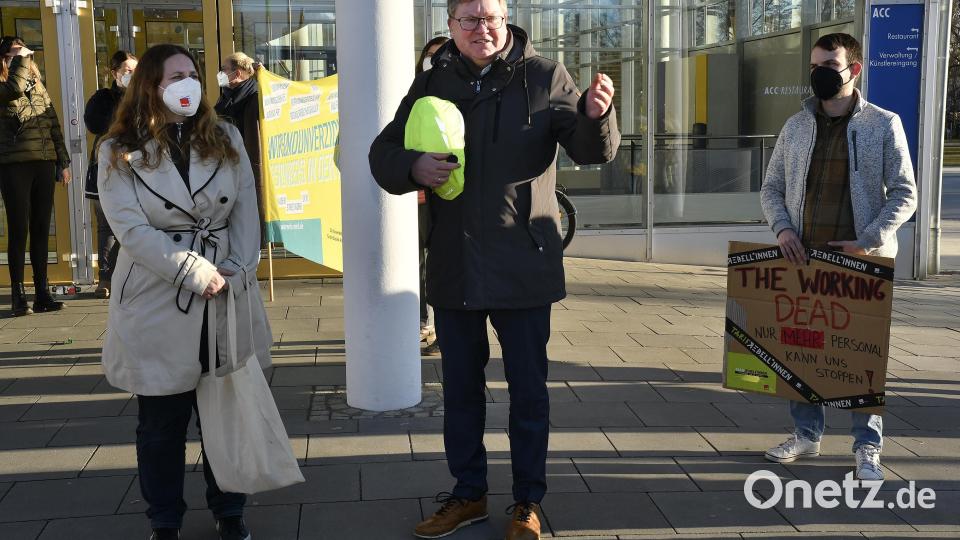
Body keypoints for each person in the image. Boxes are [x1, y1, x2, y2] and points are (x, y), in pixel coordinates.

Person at [370, 1, 619, 538]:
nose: (481, 28)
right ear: (452, 29)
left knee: (528, 393)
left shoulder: (545, 75)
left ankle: (527, 502)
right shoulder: (433, 82)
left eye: (490, 18)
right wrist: (411, 165)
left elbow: (588, 148)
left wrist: (598, 118)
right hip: (456, 264)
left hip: (523, 261)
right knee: (460, 392)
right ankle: (468, 494)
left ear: (505, 21)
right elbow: (383, 151)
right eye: (469, 20)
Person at [97, 43, 272, 540]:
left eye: (192, 74)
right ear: (150, 85)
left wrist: (238, 268)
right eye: (175, 76)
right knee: (161, 424)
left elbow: (244, 211)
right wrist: (196, 272)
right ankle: (165, 521)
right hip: (158, 297)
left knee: (225, 412)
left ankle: (230, 509)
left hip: (225, 292)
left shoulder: (225, 136)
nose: (187, 84)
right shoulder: (116, 150)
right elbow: (131, 231)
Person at [760, 33, 917, 481]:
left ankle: (867, 447)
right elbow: (771, 188)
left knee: (860, 357)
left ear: (854, 69)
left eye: (829, 64)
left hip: (859, 263)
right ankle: (806, 435)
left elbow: (906, 194)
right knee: (801, 351)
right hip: (803, 260)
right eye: (814, 66)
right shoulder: (796, 126)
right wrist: (783, 228)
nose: (820, 74)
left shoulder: (883, 124)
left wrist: (869, 239)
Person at [0, 35, 70, 316]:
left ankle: (43, 292)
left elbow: (51, 121)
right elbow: (14, 90)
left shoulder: (37, 84)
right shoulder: (6, 84)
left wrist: (62, 161)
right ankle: (18, 295)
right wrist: (19, 61)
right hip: (14, 163)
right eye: (16, 53)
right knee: (19, 230)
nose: (24, 57)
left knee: (41, 228)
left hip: (43, 159)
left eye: (24, 53)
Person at [84, 50, 138, 299]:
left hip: (138, 167)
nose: (132, 75)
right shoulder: (103, 98)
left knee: (137, 221)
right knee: (107, 225)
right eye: (127, 71)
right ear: (115, 73)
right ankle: (106, 278)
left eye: (136, 71)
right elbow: (93, 124)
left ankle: (134, 275)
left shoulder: (146, 97)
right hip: (106, 167)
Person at [415, 36, 449, 356]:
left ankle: (438, 326)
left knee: (441, 262)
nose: (434, 60)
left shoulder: (457, 94)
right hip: (417, 194)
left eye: (441, 55)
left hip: (447, 194)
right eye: (430, 55)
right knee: (415, 262)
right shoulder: (413, 92)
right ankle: (422, 322)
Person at [214, 52, 265, 244]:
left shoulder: (254, 97)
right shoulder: (227, 97)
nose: (220, 73)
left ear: (237, 73)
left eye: (224, 70)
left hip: (247, 170)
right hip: (227, 169)